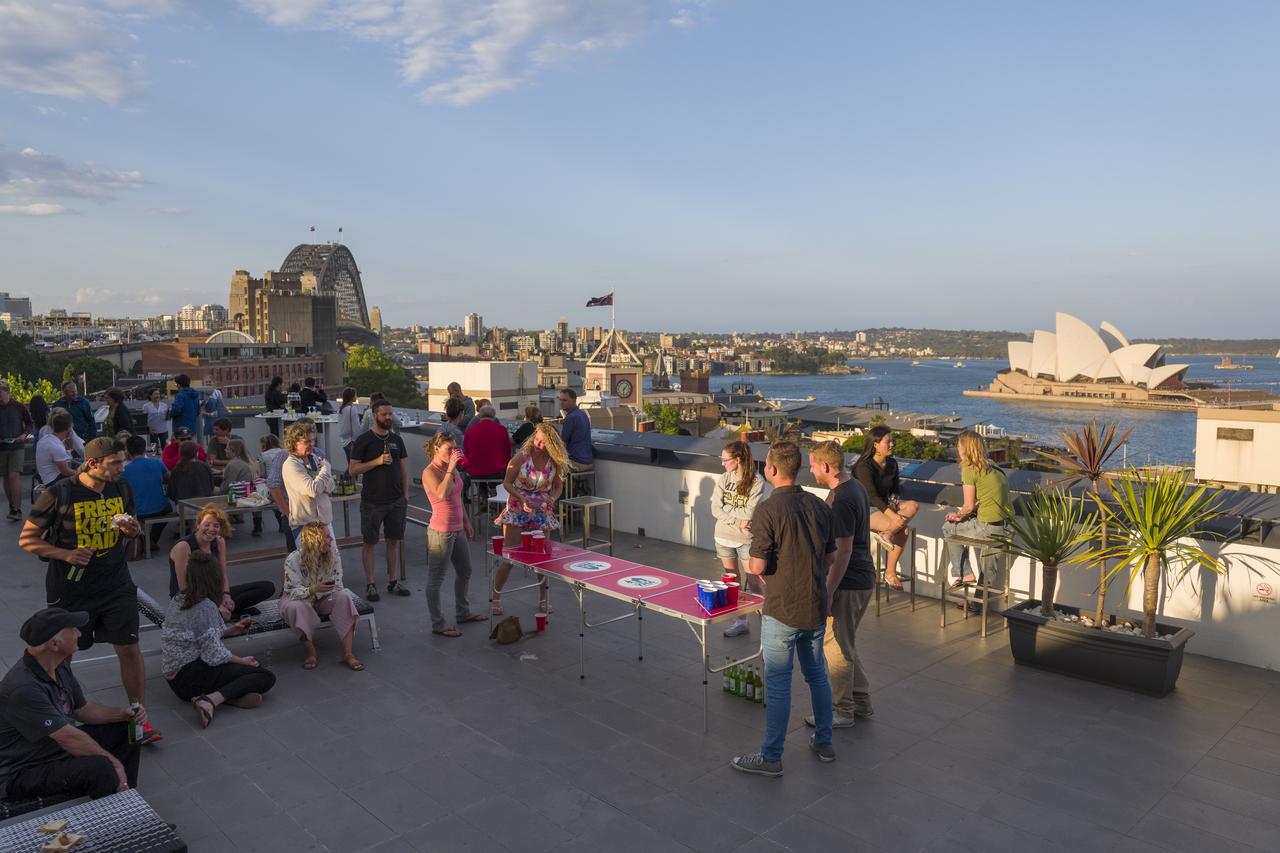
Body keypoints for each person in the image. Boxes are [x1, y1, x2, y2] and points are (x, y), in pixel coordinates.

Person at [18, 437, 162, 745]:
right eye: (115, 463)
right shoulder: (59, 493)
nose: (122, 469)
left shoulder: (121, 488)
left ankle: (139, 719)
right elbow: (27, 540)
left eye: (122, 462)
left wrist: (133, 531)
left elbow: (131, 525)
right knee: (64, 657)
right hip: (71, 590)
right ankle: (63, 720)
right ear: (93, 463)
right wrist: (65, 554)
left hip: (116, 583)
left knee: (129, 649)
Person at [731, 440, 835, 777]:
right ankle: (824, 741)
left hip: (782, 609)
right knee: (817, 674)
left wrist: (754, 543)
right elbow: (830, 556)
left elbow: (758, 567)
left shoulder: (768, 510)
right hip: (815, 604)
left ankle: (772, 756)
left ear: (772, 470)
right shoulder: (820, 506)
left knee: (778, 684)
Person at [0, 607, 144, 801]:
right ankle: (112, 821)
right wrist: (113, 762)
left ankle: (124, 797)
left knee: (127, 730)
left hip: (52, 750)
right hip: (22, 771)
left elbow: (82, 710)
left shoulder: (59, 666)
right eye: (73, 629)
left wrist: (124, 714)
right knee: (102, 768)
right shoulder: (23, 688)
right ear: (54, 643)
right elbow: (67, 738)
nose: (78, 633)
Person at [161, 552, 276, 729]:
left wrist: (229, 630)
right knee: (264, 676)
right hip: (189, 677)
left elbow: (198, 636)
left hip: (175, 677)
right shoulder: (205, 606)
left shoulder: (180, 597)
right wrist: (242, 661)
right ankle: (209, 701)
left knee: (240, 672)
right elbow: (213, 655)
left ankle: (230, 696)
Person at [807, 440, 876, 729]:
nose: (810, 471)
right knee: (845, 644)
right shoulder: (855, 487)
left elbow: (843, 551)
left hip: (848, 582)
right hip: (861, 579)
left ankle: (842, 711)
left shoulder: (841, 500)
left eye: (812, 465)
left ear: (825, 467)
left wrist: (827, 591)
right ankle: (861, 703)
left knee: (835, 648)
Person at [491, 424, 566, 616]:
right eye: (537, 440)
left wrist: (552, 498)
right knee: (510, 556)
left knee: (542, 557)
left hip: (542, 508)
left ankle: (543, 598)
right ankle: (496, 596)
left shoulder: (554, 461)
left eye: (544, 442)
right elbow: (507, 482)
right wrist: (521, 497)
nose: (539, 444)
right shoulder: (522, 457)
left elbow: (558, 487)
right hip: (518, 506)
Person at [421, 433, 486, 637]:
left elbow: (457, 497)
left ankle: (463, 612)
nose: (454, 453)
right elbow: (442, 493)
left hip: (457, 529)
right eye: (449, 449)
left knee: (465, 570)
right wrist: (450, 468)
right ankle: (438, 623)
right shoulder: (429, 472)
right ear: (436, 450)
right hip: (441, 532)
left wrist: (466, 522)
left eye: (455, 448)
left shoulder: (453, 469)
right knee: (436, 579)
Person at [348, 399, 410, 601]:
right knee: (370, 542)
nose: (389, 417)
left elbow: (402, 469)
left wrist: (405, 494)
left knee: (393, 541)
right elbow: (353, 469)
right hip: (372, 501)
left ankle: (393, 581)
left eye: (391, 414)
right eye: (385, 414)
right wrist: (377, 461)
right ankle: (371, 584)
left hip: (396, 501)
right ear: (375, 415)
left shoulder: (396, 440)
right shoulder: (364, 440)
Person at [280, 522, 364, 671]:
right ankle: (311, 652)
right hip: (299, 597)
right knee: (295, 608)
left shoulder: (333, 555)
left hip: (324, 595)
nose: (331, 539)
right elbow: (291, 591)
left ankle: (348, 653)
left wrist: (320, 591)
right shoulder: (293, 559)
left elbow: (337, 583)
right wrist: (312, 590)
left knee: (344, 597)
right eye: (327, 537)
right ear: (315, 540)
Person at [169, 505, 274, 617]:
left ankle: (224, 613)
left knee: (267, 587)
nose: (211, 529)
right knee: (207, 609)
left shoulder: (219, 541)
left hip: (213, 594)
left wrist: (226, 595)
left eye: (216, 526)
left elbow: (222, 575)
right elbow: (185, 589)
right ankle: (225, 614)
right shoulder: (183, 546)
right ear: (198, 525)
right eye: (207, 524)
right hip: (190, 599)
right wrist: (217, 605)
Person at [852, 426, 920, 591]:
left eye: (891, 441)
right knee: (903, 530)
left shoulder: (892, 464)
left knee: (913, 505)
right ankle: (890, 573)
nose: (892, 444)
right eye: (887, 441)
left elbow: (895, 490)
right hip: (865, 509)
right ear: (875, 444)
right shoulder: (864, 466)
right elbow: (872, 497)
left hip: (884, 506)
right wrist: (894, 516)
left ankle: (888, 533)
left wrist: (894, 504)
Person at [943, 430, 1013, 586]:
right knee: (988, 568)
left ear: (966, 448)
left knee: (948, 528)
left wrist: (958, 516)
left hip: (989, 529)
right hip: (1006, 527)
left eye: (959, 445)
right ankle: (978, 606)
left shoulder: (969, 470)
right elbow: (986, 498)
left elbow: (968, 506)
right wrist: (964, 514)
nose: (957, 448)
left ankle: (965, 574)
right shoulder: (992, 465)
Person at [712, 440, 764, 637]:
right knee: (731, 583)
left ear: (738, 459)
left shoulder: (757, 481)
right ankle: (741, 621)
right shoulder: (724, 478)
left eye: (725, 460)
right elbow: (715, 508)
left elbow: (750, 511)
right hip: (723, 537)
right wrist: (738, 518)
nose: (723, 464)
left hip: (746, 540)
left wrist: (733, 513)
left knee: (755, 582)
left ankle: (766, 620)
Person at [266, 416, 325, 554]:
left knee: (321, 555)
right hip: (295, 514)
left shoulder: (319, 454)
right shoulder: (284, 457)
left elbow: (327, 483)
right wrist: (287, 513)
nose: (311, 441)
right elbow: (273, 485)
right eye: (306, 437)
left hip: (317, 514)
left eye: (313, 434)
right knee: (298, 557)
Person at [282, 421, 335, 544]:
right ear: (294, 442)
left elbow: (331, 486)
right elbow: (313, 490)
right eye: (307, 442)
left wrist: (322, 481)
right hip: (306, 527)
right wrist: (326, 469)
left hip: (325, 523)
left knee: (331, 561)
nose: (312, 445)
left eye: (313, 440)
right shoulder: (291, 465)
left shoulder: (314, 459)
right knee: (311, 562)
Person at [123, 435, 171, 551]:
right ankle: (152, 539)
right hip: (159, 508)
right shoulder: (157, 463)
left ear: (128, 451)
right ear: (145, 449)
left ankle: (146, 539)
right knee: (169, 508)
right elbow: (168, 479)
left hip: (137, 511)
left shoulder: (124, 470)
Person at [0, 379, 35, 520]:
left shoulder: (18, 406)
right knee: (5, 478)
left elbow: (29, 423)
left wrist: (24, 434)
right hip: (1, 447)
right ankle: (12, 505)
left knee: (13, 475)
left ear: (7, 392)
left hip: (17, 446)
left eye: (0, 393)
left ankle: (18, 509)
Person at [223, 437, 263, 536]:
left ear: (233, 451)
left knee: (214, 491)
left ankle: (225, 527)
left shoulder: (233, 464)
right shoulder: (252, 461)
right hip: (255, 495)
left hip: (240, 496)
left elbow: (227, 486)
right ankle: (257, 525)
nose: (225, 450)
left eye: (227, 448)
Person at [463, 404, 512, 481]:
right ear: (494, 416)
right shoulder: (502, 430)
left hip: (475, 472)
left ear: (479, 416)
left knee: (480, 478)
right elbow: (507, 451)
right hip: (498, 471)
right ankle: (493, 491)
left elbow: (466, 451)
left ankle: (482, 492)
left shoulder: (470, 430)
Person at [35, 411, 83, 486]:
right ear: (68, 427)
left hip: (47, 479)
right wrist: (82, 474)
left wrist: (69, 438)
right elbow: (65, 471)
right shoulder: (57, 446)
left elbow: (69, 447)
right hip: (54, 481)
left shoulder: (46, 439)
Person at [558, 387, 593, 473]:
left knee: (549, 466)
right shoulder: (583, 415)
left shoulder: (570, 418)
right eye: (560, 400)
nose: (561, 403)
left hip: (576, 462)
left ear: (574, 400)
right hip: (588, 460)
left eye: (565, 400)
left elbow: (563, 443)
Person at [337, 387, 360, 462]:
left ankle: (347, 474)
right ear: (352, 397)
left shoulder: (341, 409)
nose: (356, 396)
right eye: (355, 395)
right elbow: (357, 428)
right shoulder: (352, 409)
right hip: (352, 441)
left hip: (344, 441)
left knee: (350, 463)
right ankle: (346, 474)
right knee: (354, 465)